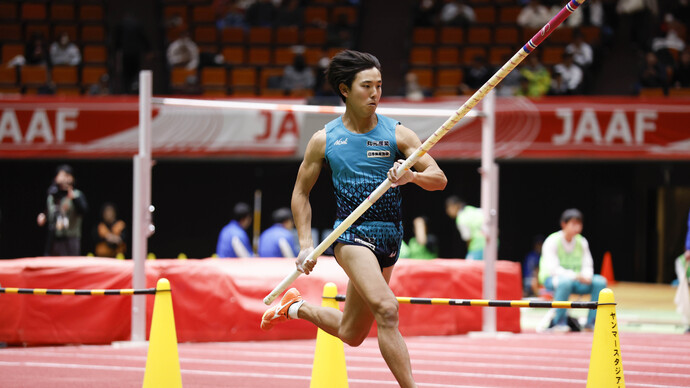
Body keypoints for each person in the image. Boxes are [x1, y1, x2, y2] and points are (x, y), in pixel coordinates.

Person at [261, 50, 447, 388]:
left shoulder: (398, 134)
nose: (375, 93)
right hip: (351, 236)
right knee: (388, 310)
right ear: (345, 89)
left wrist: (412, 177)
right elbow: (300, 194)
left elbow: (439, 178)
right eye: (367, 86)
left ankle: (296, 308)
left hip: (391, 237)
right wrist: (305, 245)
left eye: (379, 85)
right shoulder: (325, 140)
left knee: (351, 333)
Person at [538, 208, 607, 331]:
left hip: (577, 281)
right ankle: (559, 322)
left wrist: (587, 276)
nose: (577, 227)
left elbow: (588, 264)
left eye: (579, 224)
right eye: (573, 224)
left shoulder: (582, 241)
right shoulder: (552, 240)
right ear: (564, 224)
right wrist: (576, 276)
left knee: (600, 281)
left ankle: (592, 322)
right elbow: (553, 269)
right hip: (552, 280)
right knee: (565, 282)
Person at [37, 165, 88, 256]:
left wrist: (73, 199)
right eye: (62, 176)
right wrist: (43, 216)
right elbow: (49, 212)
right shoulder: (52, 195)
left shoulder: (77, 195)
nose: (65, 179)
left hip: (71, 238)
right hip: (54, 238)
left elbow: (83, 211)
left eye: (67, 176)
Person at [445, 196, 485, 260]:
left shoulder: (461, 218)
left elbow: (467, 237)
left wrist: (470, 251)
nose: (447, 211)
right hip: (493, 243)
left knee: (469, 268)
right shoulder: (471, 209)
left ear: (456, 206)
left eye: (448, 207)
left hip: (478, 247)